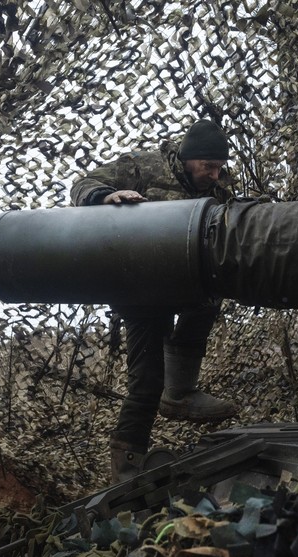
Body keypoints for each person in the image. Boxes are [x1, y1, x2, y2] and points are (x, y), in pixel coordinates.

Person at [71, 120, 240, 482]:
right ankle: (126, 467)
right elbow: (83, 184)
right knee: (146, 383)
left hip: (186, 279)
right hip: (139, 286)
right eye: (207, 166)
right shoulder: (142, 165)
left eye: (218, 166)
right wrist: (107, 196)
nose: (214, 174)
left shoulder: (220, 183)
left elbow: (236, 220)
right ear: (187, 158)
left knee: (209, 302)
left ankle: (180, 393)